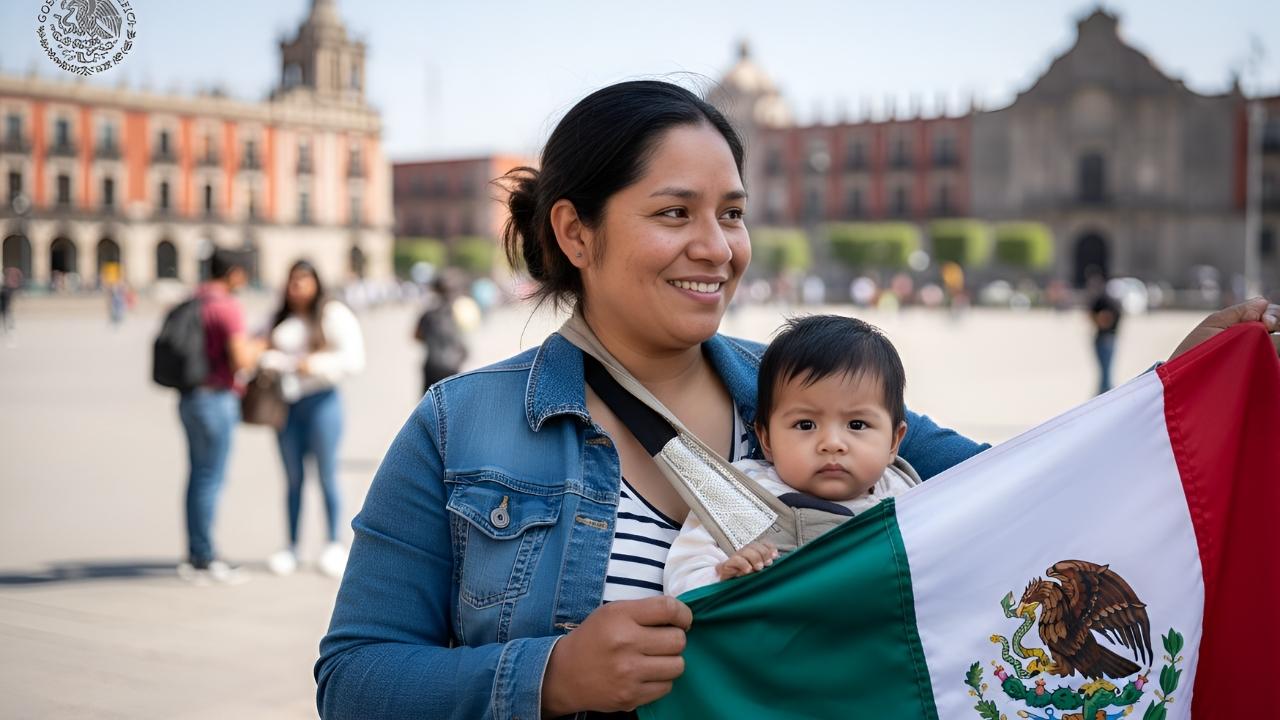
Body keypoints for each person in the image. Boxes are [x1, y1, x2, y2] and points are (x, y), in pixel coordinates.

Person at [314, 80, 1280, 719]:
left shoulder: (821, 397)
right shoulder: (461, 428)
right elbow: (354, 675)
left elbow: (1028, 499)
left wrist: (1173, 397)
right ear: (574, 231)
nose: (717, 247)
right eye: (673, 214)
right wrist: (548, 678)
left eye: (731, 214)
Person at [663, 315, 916, 597]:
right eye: (805, 425)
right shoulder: (742, 492)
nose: (832, 444)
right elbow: (683, 576)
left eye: (857, 425)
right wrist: (723, 577)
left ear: (894, 441)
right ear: (767, 439)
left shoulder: (907, 499)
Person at [259, 260, 365, 578]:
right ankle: (291, 545)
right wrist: (270, 361)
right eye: (293, 281)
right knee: (292, 478)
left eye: (303, 281)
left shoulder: (332, 314)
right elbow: (256, 347)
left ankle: (333, 543)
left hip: (322, 401)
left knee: (327, 473)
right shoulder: (279, 317)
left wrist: (315, 365)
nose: (297, 287)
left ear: (317, 283)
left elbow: (354, 359)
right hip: (286, 404)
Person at [177, 248, 261, 584]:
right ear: (235, 273)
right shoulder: (226, 306)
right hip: (216, 398)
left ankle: (196, 549)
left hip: (189, 398)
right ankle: (205, 555)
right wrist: (261, 346)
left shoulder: (193, 299)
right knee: (211, 477)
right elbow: (241, 360)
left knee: (198, 475)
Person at [413, 271, 468, 395]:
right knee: (452, 401)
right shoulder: (460, 312)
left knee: (430, 402)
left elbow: (416, 336)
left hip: (432, 364)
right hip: (454, 363)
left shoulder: (428, 313)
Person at [1088, 273, 1122, 394]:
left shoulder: (1106, 299)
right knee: (1106, 372)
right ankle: (1104, 397)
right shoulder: (1108, 300)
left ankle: (1104, 397)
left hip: (1105, 338)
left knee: (1105, 372)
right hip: (1107, 337)